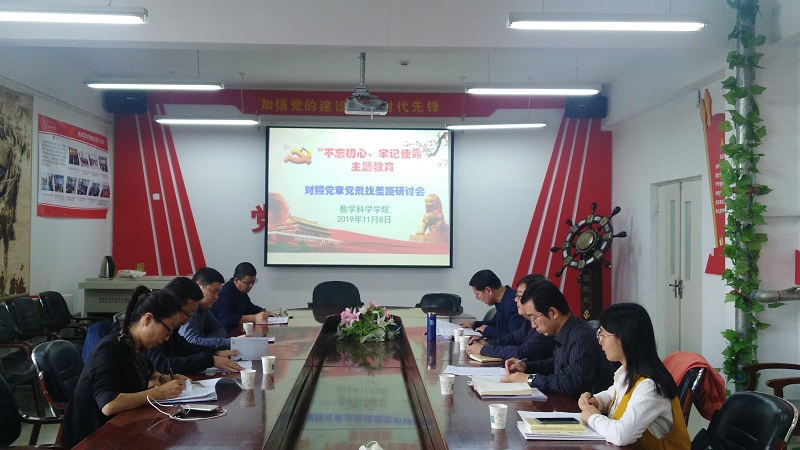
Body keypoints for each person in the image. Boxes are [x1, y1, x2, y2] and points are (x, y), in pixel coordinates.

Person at [61, 287, 188, 447]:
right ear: (148, 319)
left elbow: (145, 372)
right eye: (167, 329)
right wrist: (159, 392)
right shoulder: (109, 349)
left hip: (119, 428)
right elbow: (109, 404)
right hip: (91, 439)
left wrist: (163, 378)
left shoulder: (135, 346)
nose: (167, 338)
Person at [578, 303, 691, 449]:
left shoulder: (650, 386)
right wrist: (597, 401)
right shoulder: (628, 373)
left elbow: (622, 435)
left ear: (625, 337)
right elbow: (613, 395)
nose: (600, 340)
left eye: (603, 334)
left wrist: (592, 417)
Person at [501, 277, 614, 398]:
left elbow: (574, 383)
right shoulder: (566, 331)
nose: (533, 325)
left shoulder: (580, 337)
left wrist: (530, 378)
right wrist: (526, 366)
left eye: (533, 318)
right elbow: (556, 363)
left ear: (553, 313)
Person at [148, 277, 243, 374]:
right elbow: (161, 365)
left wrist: (215, 353)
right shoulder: (155, 325)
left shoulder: (172, 327)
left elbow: (185, 348)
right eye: (188, 314)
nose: (189, 319)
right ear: (174, 306)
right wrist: (210, 360)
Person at [466, 273, 555, 361]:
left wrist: (484, 349)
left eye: (520, 296)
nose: (516, 300)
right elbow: (514, 338)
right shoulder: (529, 321)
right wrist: (488, 343)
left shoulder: (544, 324)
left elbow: (521, 353)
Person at [179, 267, 238, 348]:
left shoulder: (203, 308)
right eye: (213, 292)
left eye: (218, 293)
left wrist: (205, 341)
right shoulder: (189, 308)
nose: (216, 297)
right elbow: (192, 342)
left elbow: (220, 329)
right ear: (198, 286)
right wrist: (233, 342)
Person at [458, 269, 524, 340]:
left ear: (488, 290)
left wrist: (487, 330)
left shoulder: (514, 304)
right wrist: (474, 325)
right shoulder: (503, 299)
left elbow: (514, 338)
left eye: (478, 294)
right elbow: (495, 322)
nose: (478, 298)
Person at [211, 262, 275, 332]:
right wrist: (254, 318)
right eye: (248, 283)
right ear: (236, 280)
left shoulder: (241, 291)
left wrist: (263, 311)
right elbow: (226, 319)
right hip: (225, 333)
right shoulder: (225, 294)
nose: (250, 286)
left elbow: (249, 307)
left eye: (253, 282)